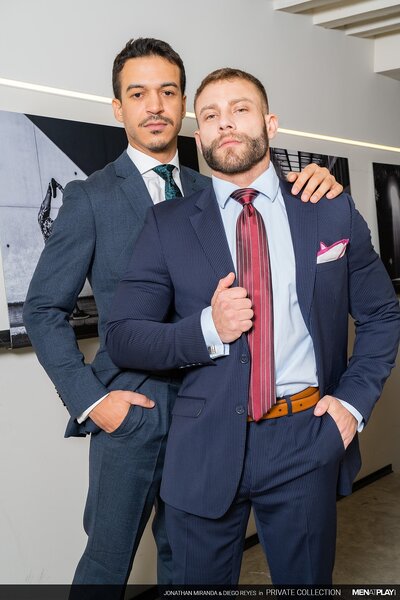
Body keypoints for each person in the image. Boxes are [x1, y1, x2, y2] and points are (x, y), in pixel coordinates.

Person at [23, 37, 343, 590]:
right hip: (133, 415)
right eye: (138, 94)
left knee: (187, 566)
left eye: (168, 92)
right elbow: (43, 308)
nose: (155, 106)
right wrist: (93, 403)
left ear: (184, 105)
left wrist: (321, 186)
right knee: (105, 566)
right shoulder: (90, 198)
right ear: (117, 108)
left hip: (216, 417)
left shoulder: (216, 186)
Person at [106, 67, 400, 586]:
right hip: (203, 445)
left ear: (270, 123)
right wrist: (208, 328)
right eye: (210, 116)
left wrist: (352, 404)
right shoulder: (168, 225)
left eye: (240, 109)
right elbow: (123, 335)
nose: (225, 123)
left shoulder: (328, 209)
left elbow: (381, 314)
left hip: (305, 437)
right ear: (200, 137)